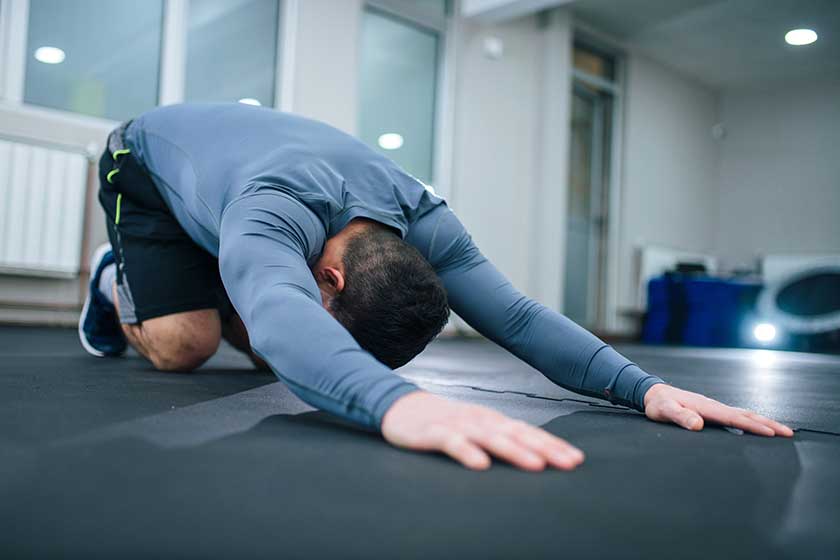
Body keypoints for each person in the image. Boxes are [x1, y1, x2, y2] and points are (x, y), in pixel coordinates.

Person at [79, 103, 793, 472]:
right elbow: (275, 312)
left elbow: (514, 316)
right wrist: (395, 405)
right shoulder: (274, 207)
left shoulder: (424, 221)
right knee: (185, 344)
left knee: (287, 355)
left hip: (234, 202)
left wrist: (642, 386)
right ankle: (119, 285)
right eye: (322, 302)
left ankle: (204, 276)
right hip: (146, 167)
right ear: (329, 278)